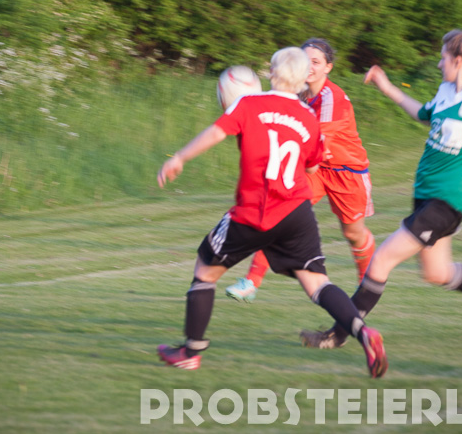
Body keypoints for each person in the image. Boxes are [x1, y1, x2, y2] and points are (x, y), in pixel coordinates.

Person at [301, 30, 462, 350]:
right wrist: (387, 87)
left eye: (443, 58)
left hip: (447, 202)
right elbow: (423, 114)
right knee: (437, 273)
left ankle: (339, 334)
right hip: (426, 197)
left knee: (381, 260)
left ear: (458, 61)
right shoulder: (447, 90)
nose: (439, 63)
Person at [156, 47, 387, 377]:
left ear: (272, 73)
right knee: (317, 283)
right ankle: (363, 332)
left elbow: (216, 133)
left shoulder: (249, 104)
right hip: (297, 213)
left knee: (205, 271)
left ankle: (190, 353)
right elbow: (312, 166)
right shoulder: (308, 116)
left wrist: (179, 157)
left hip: (255, 211)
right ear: (301, 78)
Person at [225, 38, 376, 302]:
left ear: (328, 67)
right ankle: (251, 282)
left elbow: (313, 139)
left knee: (353, 234)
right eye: (306, 61)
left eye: (316, 62)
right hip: (316, 169)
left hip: (347, 173)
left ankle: (368, 284)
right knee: (278, 214)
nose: (310, 67)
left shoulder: (332, 98)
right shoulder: (298, 93)